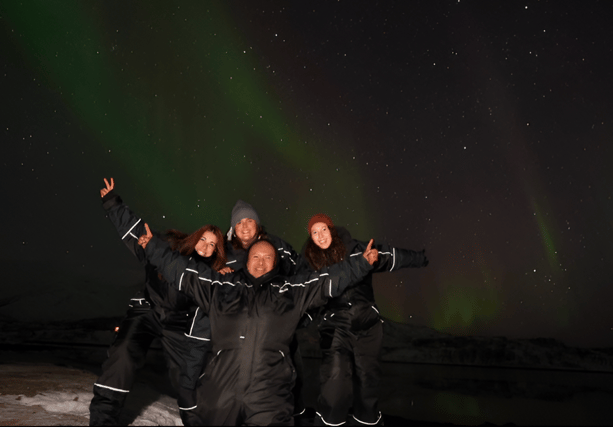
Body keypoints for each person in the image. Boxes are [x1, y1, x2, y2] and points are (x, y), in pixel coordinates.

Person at [98, 181, 394, 426]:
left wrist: (358, 265)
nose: (261, 260)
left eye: (267, 257)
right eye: (255, 256)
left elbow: (321, 279)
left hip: (268, 384)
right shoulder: (220, 282)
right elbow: (176, 265)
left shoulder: (285, 284)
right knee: (178, 373)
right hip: (216, 375)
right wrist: (146, 240)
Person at [89, 178, 228, 426]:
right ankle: (103, 419)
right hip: (146, 310)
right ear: (195, 237)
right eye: (204, 240)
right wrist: (112, 203)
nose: (206, 247)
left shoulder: (210, 277)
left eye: (213, 245)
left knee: (190, 377)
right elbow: (136, 232)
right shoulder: (167, 247)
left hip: (178, 325)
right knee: (123, 355)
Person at [298, 213, 428, 426]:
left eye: (323, 229)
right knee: (335, 380)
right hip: (335, 325)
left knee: (368, 381)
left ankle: (366, 422)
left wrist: (419, 258)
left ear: (331, 229)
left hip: (367, 323)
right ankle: (330, 422)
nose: (320, 235)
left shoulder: (357, 249)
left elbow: (388, 256)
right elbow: (304, 294)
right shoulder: (308, 262)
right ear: (310, 237)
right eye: (314, 232)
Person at [225, 199, 309, 418]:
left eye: (249, 220)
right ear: (233, 228)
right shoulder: (223, 252)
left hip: (276, 330)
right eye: (239, 222)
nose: (244, 226)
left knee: (291, 378)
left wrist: (297, 309)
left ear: (258, 225)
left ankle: (295, 416)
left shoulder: (277, 247)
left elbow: (303, 272)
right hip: (237, 332)